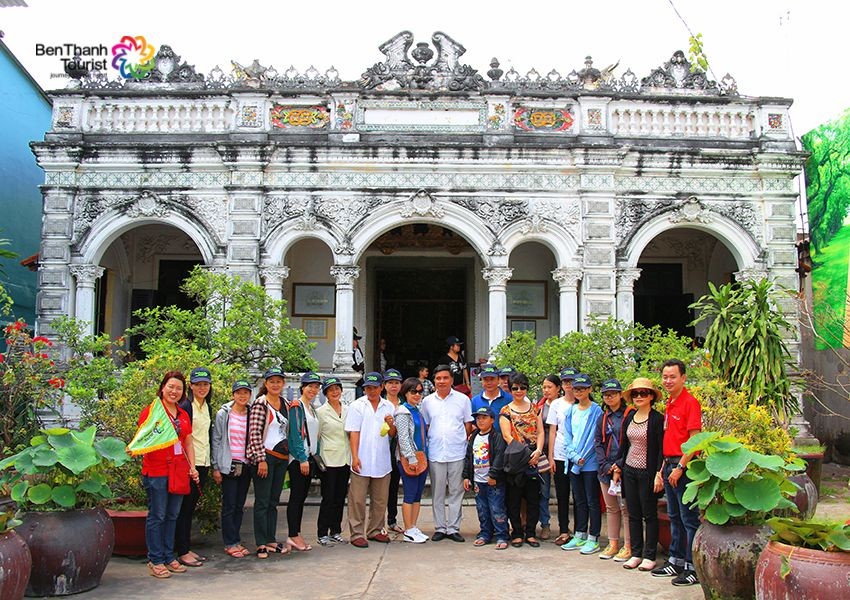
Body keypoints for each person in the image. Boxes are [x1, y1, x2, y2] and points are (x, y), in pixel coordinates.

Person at [140, 371, 199, 579]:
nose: (174, 391)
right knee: (158, 515)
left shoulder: (182, 414)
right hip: (157, 472)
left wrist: (192, 467)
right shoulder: (153, 411)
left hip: (179, 471)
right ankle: (155, 559)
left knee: (173, 515)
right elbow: (142, 438)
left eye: (179, 388)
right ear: (163, 388)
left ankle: (168, 555)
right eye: (171, 387)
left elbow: (188, 441)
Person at [651, 359, 702, 586]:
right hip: (669, 465)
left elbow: (694, 440)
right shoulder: (670, 403)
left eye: (672, 376)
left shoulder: (690, 403)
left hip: (685, 467)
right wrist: (663, 468)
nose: (668, 381)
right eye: (665, 377)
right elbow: (669, 439)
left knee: (689, 519)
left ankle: (693, 567)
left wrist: (681, 467)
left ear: (683, 378)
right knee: (674, 516)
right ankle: (676, 560)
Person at [613, 378, 665, 572]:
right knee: (633, 513)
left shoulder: (657, 419)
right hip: (629, 470)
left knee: (649, 514)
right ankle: (636, 553)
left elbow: (661, 449)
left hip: (648, 472)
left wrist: (659, 473)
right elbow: (624, 446)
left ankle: (650, 555)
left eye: (644, 393)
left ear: (651, 396)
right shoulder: (630, 416)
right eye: (636, 394)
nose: (639, 397)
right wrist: (618, 467)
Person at [421, 364, 473, 542]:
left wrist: (459, 440)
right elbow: (426, 426)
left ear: (451, 380)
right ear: (434, 381)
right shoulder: (427, 401)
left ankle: (453, 528)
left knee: (456, 491)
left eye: (445, 378)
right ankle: (440, 527)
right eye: (438, 378)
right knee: (437, 492)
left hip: (457, 451)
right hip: (436, 452)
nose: (441, 381)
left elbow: (468, 424)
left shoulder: (463, 400)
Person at [345, 371, 397, 548]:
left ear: (381, 387)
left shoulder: (388, 406)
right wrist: (355, 456)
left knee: (380, 499)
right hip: (362, 457)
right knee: (357, 499)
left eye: (375, 388)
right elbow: (354, 432)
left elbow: (392, 434)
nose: (371, 391)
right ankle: (357, 533)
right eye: (368, 388)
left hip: (382, 459)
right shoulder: (357, 405)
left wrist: (391, 424)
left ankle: (375, 530)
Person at [246, 366, 290, 559]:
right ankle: (261, 542)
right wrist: (260, 459)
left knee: (273, 501)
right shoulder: (260, 403)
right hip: (265, 457)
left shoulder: (286, 403)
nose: (275, 384)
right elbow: (254, 433)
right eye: (271, 381)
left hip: (281, 458)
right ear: (266, 383)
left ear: (283, 383)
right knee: (262, 502)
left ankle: (271, 539)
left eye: (278, 381)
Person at [499, 372, 545, 548]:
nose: (519, 391)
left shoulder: (534, 408)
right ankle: (517, 532)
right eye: (515, 388)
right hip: (516, 458)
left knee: (534, 498)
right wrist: (524, 453)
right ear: (510, 389)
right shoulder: (505, 410)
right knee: (514, 498)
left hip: (534, 456)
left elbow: (540, 432)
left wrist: (539, 451)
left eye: (523, 387)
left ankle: (531, 532)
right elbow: (506, 435)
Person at [174, 367, 214, 567]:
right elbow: (183, 438)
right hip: (190, 465)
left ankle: (185, 547)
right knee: (184, 508)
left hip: (203, 462)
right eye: (198, 384)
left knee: (190, 508)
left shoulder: (207, 406)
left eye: (205, 384)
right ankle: (181, 551)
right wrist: (190, 466)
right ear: (191, 386)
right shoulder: (186, 406)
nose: (202, 388)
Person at [560, 373, 604, 555]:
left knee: (592, 500)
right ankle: (579, 534)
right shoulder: (571, 410)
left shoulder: (596, 411)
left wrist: (581, 457)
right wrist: (573, 456)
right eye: (576, 388)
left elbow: (595, 438)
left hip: (590, 463)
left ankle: (593, 538)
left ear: (590, 389)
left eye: (583, 388)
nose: (579, 392)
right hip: (573, 462)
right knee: (578, 500)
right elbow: (567, 435)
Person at [211, 379, 254, 558]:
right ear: (233, 395)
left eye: (245, 393)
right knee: (229, 505)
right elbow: (217, 439)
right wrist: (216, 466)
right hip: (228, 464)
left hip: (245, 464)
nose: (242, 396)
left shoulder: (251, 413)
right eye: (239, 393)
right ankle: (229, 542)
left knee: (239, 505)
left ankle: (236, 539)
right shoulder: (224, 414)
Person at [594, 378, 632, 561]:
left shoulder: (629, 415)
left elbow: (632, 443)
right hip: (605, 469)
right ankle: (613, 543)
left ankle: (629, 545)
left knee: (626, 508)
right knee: (611, 507)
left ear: (620, 394)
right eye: (606, 395)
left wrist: (619, 465)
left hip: (625, 467)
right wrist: (607, 466)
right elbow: (598, 443)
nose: (609, 397)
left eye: (613, 394)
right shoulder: (602, 418)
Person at [285, 372, 322, 552]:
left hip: (309, 458)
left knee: (301, 498)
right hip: (299, 460)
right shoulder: (296, 406)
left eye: (316, 387)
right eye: (310, 386)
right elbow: (295, 435)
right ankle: (293, 534)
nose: (313, 390)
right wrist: (301, 458)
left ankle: (296, 533)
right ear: (302, 387)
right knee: (296, 498)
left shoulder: (312, 408)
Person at [463, 406, 509, 550]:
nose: (481, 421)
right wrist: (466, 476)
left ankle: (502, 534)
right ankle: (485, 532)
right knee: (482, 508)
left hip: (493, 480)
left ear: (492, 420)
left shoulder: (497, 437)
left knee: (497, 508)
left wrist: (493, 474)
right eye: (478, 418)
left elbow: (500, 457)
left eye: (484, 417)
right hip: (478, 480)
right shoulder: (474, 437)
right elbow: (469, 457)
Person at [394, 377, 430, 543]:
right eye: (413, 392)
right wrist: (411, 458)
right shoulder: (403, 411)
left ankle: (413, 526)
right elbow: (403, 438)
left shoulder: (418, 410)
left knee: (417, 495)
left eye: (419, 392)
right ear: (406, 393)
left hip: (422, 457)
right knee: (409, 494)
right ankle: (408, 529)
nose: (417, 395)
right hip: (410, 459)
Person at [316, 376, 350, 546]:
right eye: (331, 390)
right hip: (328, 460)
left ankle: (335, 530)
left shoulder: (348, 409)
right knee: (328, 498)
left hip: (345, 459)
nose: (335, 392)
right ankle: (322, 532)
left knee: (339, 497)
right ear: (326, 394)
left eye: (337, 389)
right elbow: (317, 436)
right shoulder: (321, 412)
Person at [548, 367, 577, 545]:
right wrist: (551, 457)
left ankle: (582, 531)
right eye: (566, 382)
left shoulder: (586, 403)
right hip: (560, 454)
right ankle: (564, 530)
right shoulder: (556, 404)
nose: (569, 385)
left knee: (580, 497)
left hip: (580, 456)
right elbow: (552, 431)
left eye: (572, 382)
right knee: (562, 495)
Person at [535, 374, 561, 541]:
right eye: (544, 387)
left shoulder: (567, 405)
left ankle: (567, 528)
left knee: (563, 491)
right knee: (543, 491)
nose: (546, 390)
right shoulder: (539, 407)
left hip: (563, 452)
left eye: (549, 387)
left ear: (558, 388)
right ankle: (545, 524)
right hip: (543, 454)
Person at [382, 368, 404, 533]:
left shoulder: (404, 404)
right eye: (390, 383)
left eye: (396, 383)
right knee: (380, 488)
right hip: (382, 449)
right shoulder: (380, 403)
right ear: (384, 385)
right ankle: (378, 522)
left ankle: (392, 520)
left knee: (394, 487)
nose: (393, 386)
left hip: (400, 451)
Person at [470, 363, 512, 434]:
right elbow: (472, 423)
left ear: (498, 379)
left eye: (492, 379)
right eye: (485, 379)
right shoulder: (475, 401)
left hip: (504, 442)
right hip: (482, 443)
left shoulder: (509, 399)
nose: (489, 382)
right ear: (481, 381)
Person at [352, 328, 365, 397]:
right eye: (354, 340)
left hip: (359, 381)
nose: (356, 342)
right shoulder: (346, 353)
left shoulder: (358, 351)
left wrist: (360, 371)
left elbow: (361, 364)